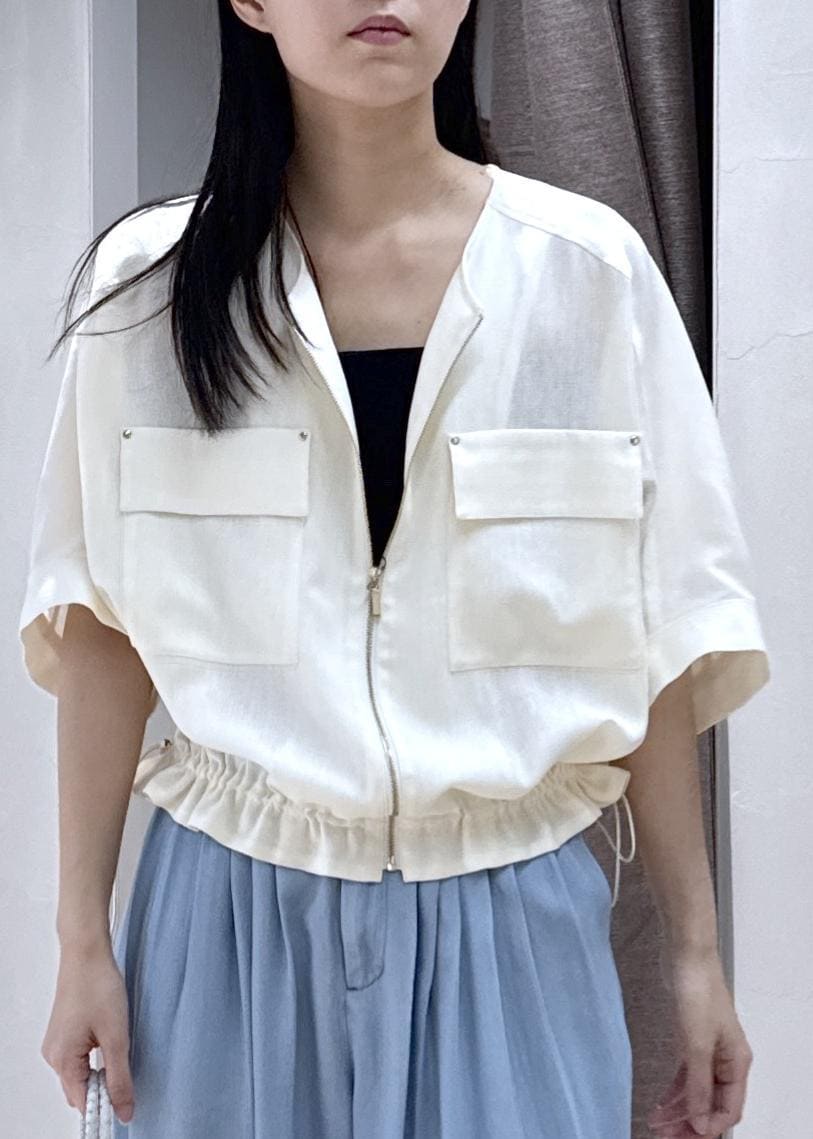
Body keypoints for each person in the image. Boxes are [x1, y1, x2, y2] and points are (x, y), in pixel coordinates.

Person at [18, 2, 771, 1137]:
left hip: (513, 934)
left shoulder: (589, 276)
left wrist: (697, 957)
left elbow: (654, 634)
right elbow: (100, 630)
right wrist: (81, 940)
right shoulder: (150, 289)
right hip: (226, 928)